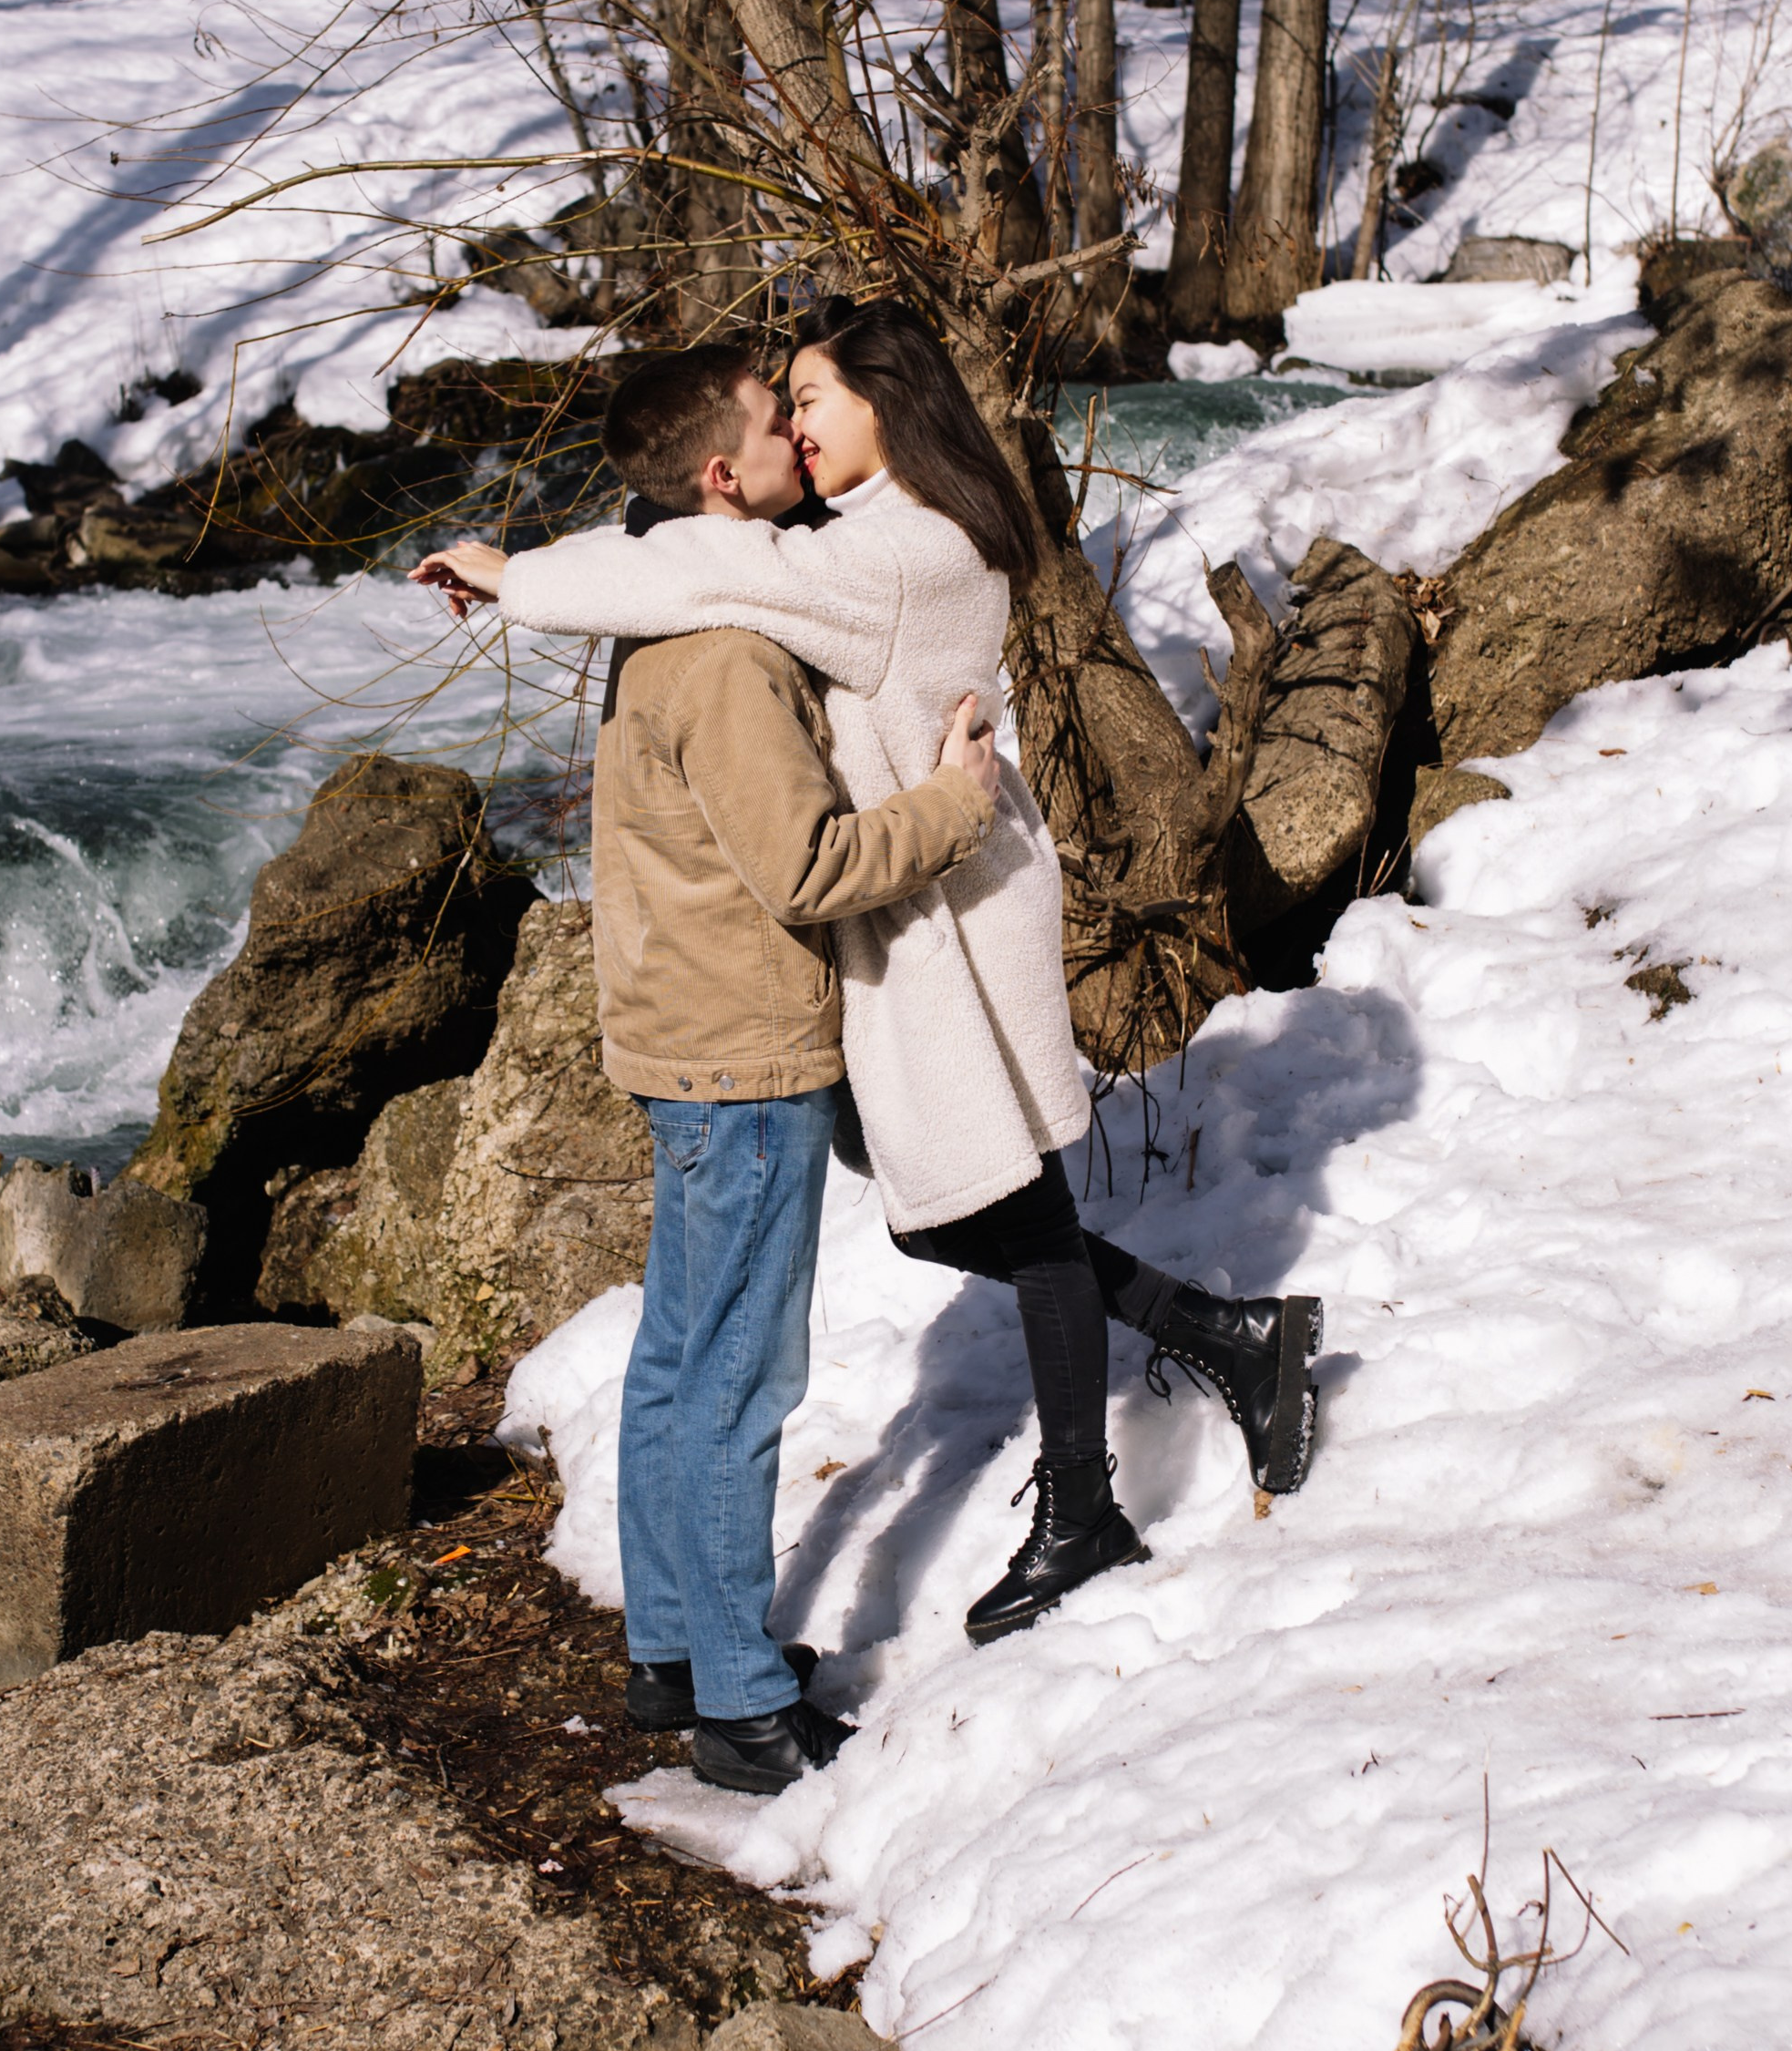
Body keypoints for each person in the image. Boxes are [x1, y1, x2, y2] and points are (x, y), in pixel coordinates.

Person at [418, 297, 1323, 1650]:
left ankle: (1086, 1508)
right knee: (950, 1206)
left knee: (1002, 1210)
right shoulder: (868, 533)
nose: (794, 420)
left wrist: (509, 572)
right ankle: (1228, 1340)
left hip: (941, 914)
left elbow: (693, 572)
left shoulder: (896, 553)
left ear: (885, 405)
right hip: (915, 904)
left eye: (813, 398)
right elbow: (695, 549)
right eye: (781, 406)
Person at [420, 338, 1002, 1791]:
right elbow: (809, 866)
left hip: (677, 1039)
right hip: (741, 1058)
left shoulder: (665, 612)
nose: (794, 445)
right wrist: (953, 804)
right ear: (716, 473)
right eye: (770, 424)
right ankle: (739, 1702)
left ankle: (673, 1651)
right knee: (738, 1373)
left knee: (679, 1360)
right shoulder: (731, 650)